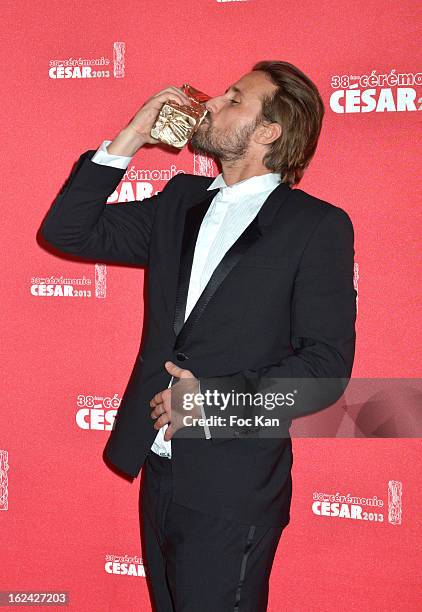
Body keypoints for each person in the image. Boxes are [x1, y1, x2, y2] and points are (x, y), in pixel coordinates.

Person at [40, 60, 356, 611]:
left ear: (267, 132)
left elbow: (325, 367)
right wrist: (132, 136)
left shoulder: (315, 226)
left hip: (234, 483)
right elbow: (68, 229)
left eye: (235, 99)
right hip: (158, 467)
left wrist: (214, 400)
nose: (210, 103)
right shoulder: (178, 204)